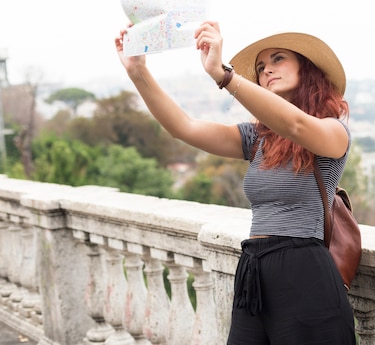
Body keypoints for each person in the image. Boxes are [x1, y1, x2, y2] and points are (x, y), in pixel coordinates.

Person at [114, 21, 356, 345]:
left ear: (306, 68)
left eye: (278, 59)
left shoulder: (332, 132)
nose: (267, 69)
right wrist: (138, 72)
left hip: (305, 274)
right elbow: (183, 127)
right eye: (261, 66)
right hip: (254, 273)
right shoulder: (256, 139)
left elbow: (296, 125)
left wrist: (224, 75)